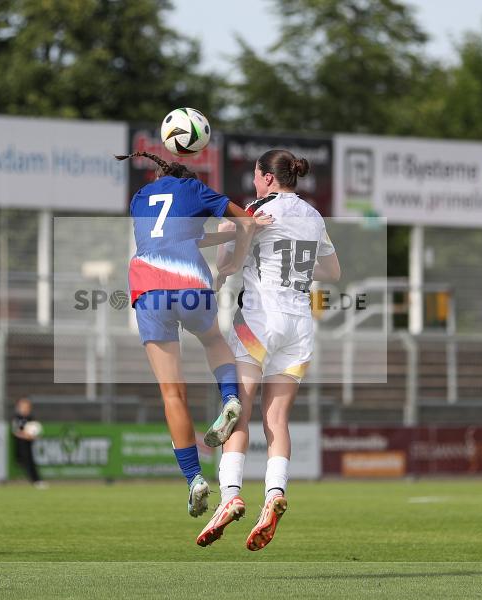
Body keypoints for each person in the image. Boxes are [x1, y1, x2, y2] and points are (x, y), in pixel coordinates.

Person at [197, 149, 340, 550]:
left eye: (257, 176)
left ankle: (229, 496)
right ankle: (275, 493)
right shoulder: (314, 217)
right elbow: (333, 273)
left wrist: (229, 260)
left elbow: (231, 257)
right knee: (276, 418)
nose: (254, 183)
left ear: (266, 177)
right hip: (298, 326)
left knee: (237, 410)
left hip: (259, 321)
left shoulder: (255, 208)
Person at [115, 151, 264, 519]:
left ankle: (194, 479)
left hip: (148, 289)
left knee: (172, 392)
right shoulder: (196, 189)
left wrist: (210, 237)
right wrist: (232, 255)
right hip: (192, 283)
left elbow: (167, 236)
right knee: (215, 341)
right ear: (187, 173)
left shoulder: (139, 199)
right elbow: (246, 221)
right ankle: (229, 398)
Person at [11, 397, 47, 489]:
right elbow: (16, 431)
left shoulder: (31, 418)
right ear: (19, 407)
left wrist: (35, 436)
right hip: (20, 444)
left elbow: (36, 430)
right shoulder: (17, 418)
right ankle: (33, 480)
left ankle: (36, 481)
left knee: (30, 462)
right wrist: (26, 436)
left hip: (28, 444)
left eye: (27, 407)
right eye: (23, 406)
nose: (25, 408)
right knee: (23, 462)